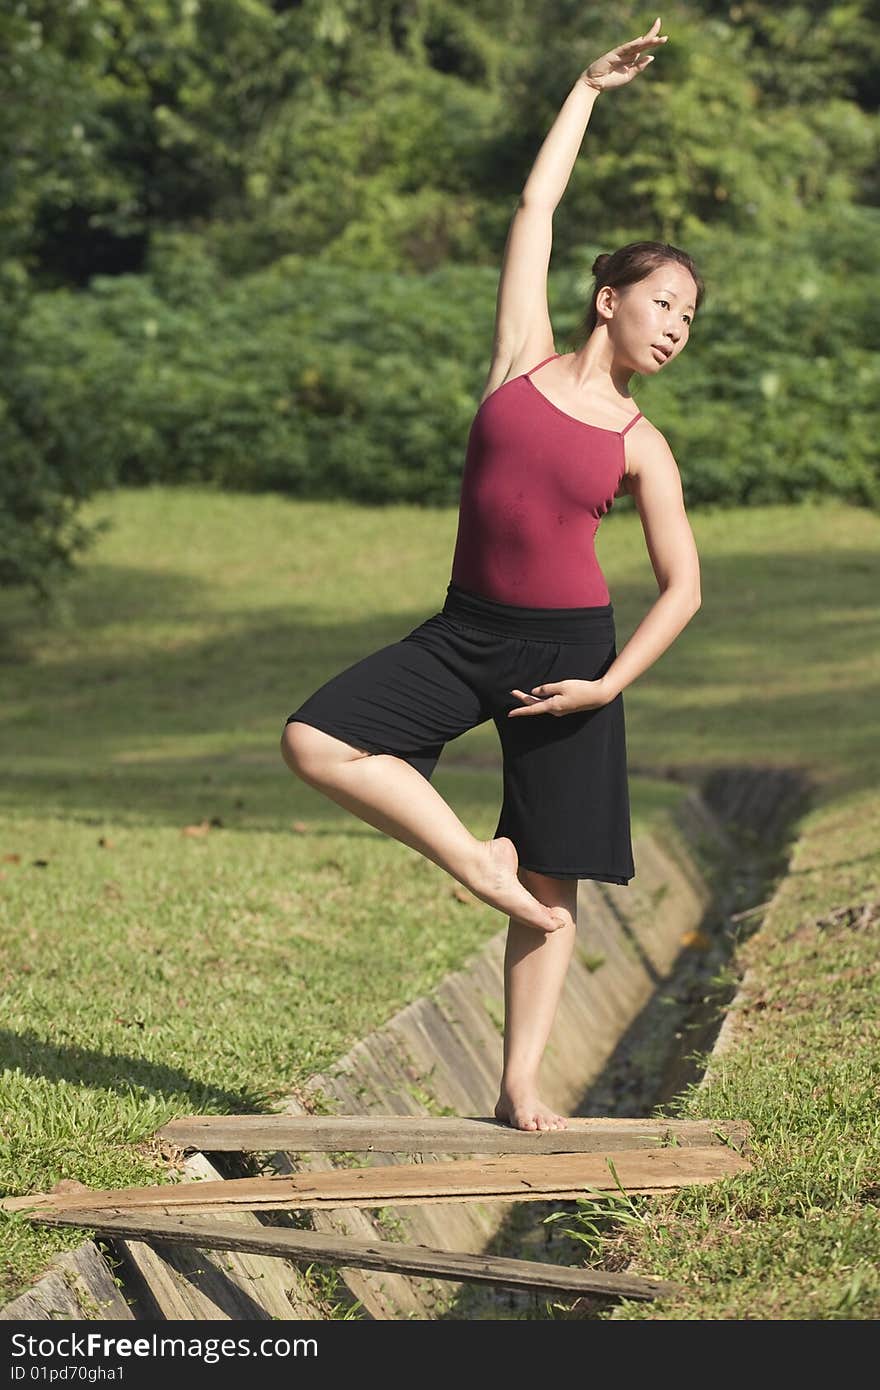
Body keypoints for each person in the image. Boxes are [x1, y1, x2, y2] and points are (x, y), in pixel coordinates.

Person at [281, 17, 703, 1132]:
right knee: (316, 738)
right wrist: (585, 88)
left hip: (569, 654)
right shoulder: (520, 357)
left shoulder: (640, 442)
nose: (678, 327)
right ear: (609, 296)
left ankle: (519, 1091)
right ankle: (474, 860)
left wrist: (609, 686)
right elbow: (536, 211)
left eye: (692, 320)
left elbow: (684, 587)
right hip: (465, 631)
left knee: (554, 885)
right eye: (667, 302)